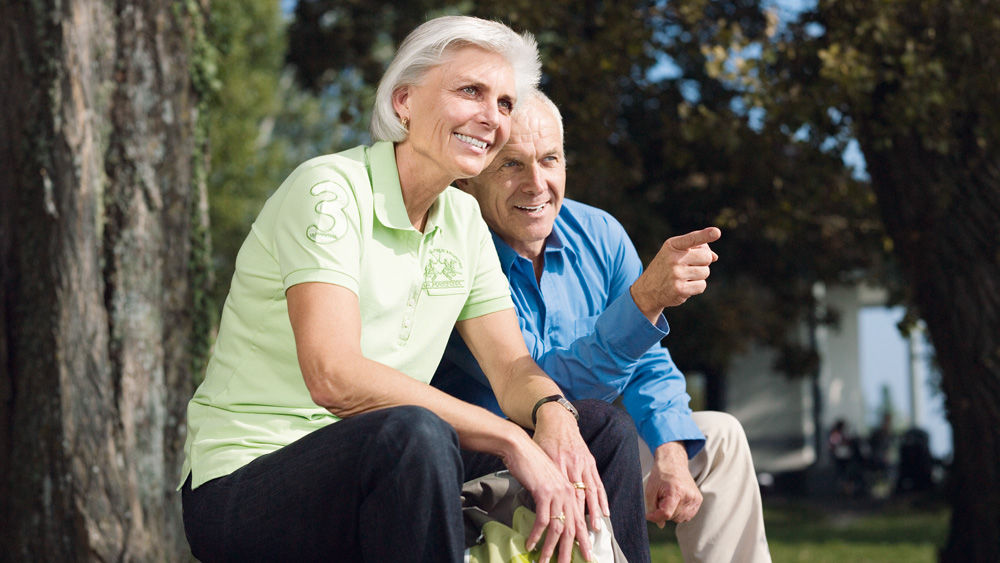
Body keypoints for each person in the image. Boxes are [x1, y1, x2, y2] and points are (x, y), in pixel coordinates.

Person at [179, 17, 648, 563]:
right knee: (415, 433)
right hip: (246, 481)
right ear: (404, 101)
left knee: (600, 429)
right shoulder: (329, 190)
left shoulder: (464, 221)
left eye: (503, 102)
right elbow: (334, 377)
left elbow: (513, 368)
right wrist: (512, 439)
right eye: (470, 90)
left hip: (394, 458)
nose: (491, 117)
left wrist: (553, 416)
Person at [433, 90, 771, 562]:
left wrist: (669, 449)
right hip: (499, 455)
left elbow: (648, 360)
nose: (537, 184)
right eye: (511, 165)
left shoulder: (599, 232)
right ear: (472, 178)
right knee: (604, 428)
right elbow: (542, 391)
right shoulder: (453, 248)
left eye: (549, 160)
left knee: (718, 437)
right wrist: (644, 302)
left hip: (595, 437)